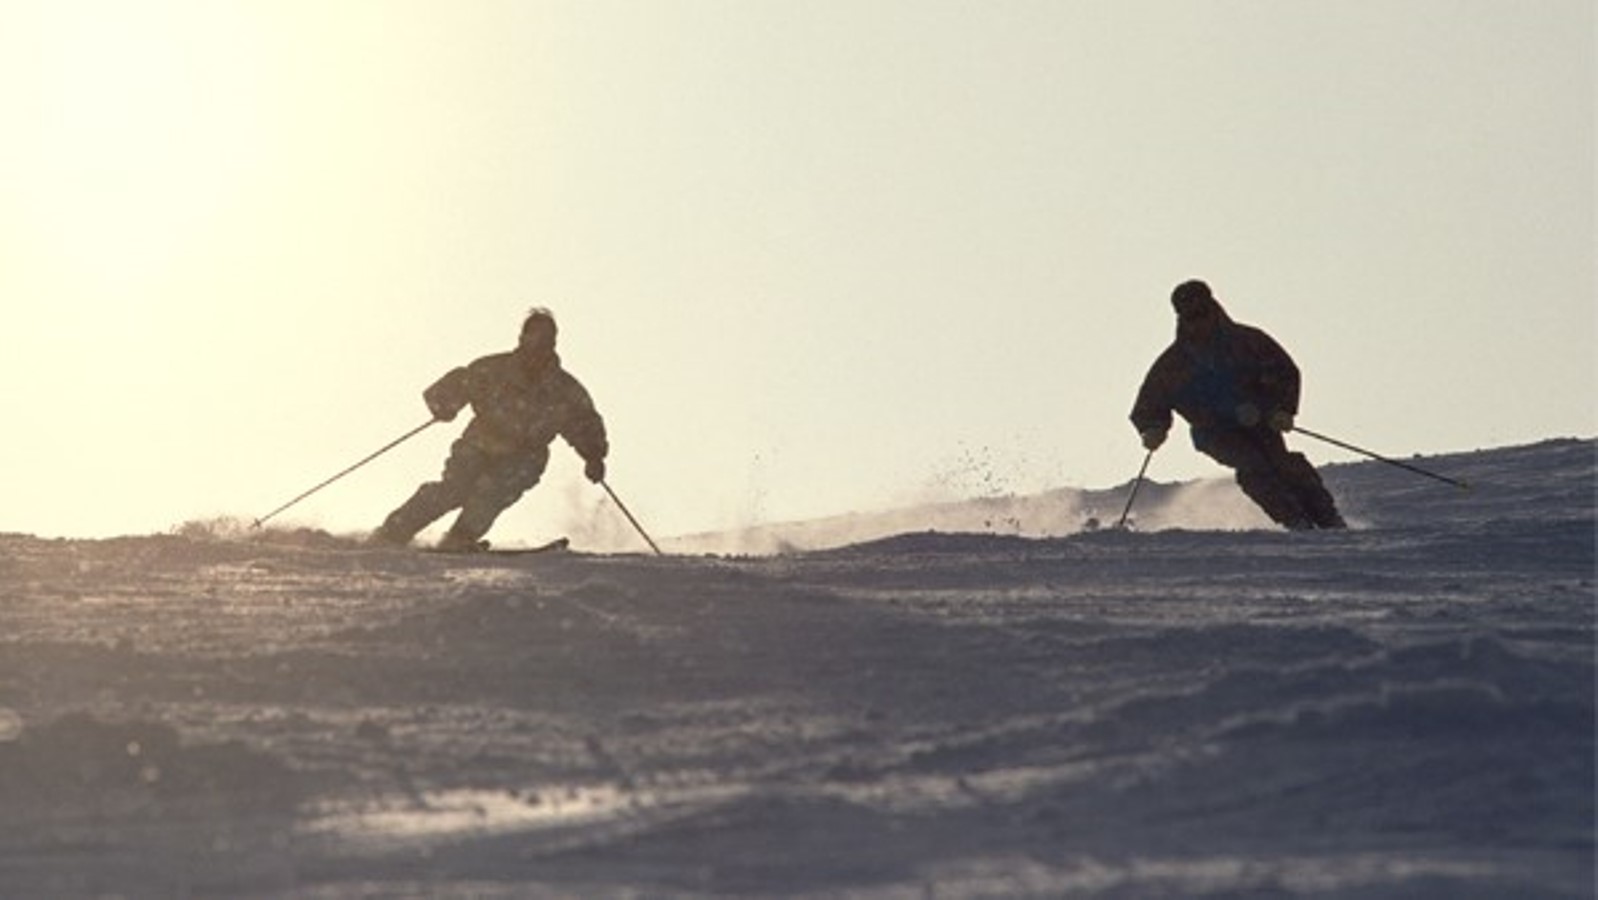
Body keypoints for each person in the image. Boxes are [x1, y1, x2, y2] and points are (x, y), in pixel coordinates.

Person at [370, 307, 609, 551]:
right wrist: (443, 403)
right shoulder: (493, 369)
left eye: (547, 340)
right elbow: (459, 382)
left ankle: (460, 537)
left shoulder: (564, 389)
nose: (540, 347)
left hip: (525, 455)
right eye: (535, 338)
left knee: (493, 492)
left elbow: (584, 422)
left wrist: (593, 456)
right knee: (455, 488)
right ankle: (394, 531)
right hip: (480, 442)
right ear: (522, 338)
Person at [1130, 280, 1345, 530]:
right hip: (1214, 432)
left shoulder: (1249, 342)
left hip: (1260, 422)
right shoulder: (1173, 363)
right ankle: (1295, 520)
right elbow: (1151, 401)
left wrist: (1281, 409)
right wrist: (1153, 428)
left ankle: (1327, 518)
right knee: (1253, 466)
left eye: (1203, 313)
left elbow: (1284, 372)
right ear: (1181, 318)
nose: (1199, 322)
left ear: (1214, 307)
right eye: (1191, 316)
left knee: (1283, 464)